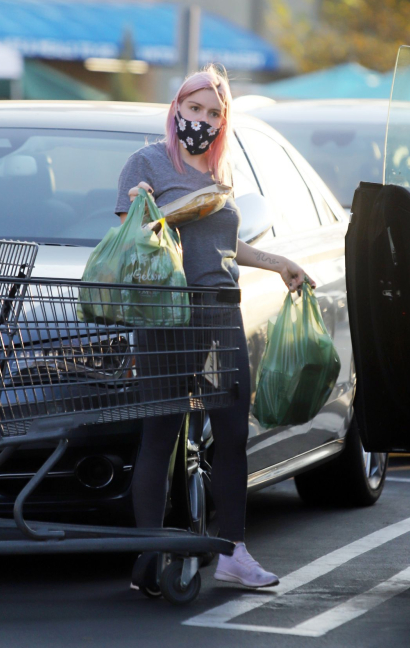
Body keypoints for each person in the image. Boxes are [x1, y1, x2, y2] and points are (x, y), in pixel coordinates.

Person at [114, 65, 316, 590]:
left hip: (222, 313)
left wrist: (277, 263)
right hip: (169, 317)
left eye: (213, 113)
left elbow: (226, 245)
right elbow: (131, 244)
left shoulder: (218, 175)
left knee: (231, 435)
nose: (201, 120)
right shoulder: (146, 163)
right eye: (194, 108)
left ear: (222, 122)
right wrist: (147, 209)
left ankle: (233, 553)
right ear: (176, 108)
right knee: (161, 436)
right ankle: (148, 559)